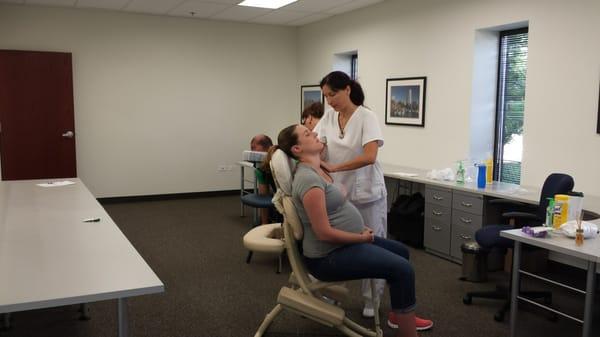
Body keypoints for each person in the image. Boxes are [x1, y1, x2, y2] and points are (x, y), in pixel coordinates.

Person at [268, 124, 432, 336]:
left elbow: (333, 212)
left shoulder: (317, 169)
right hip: (328, 257)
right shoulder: (308, 179)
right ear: (297, 150)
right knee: (403, 269)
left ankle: (399, 314)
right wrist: (359, 238)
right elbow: (323, 232)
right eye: (308, 134)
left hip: (341, 245)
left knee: (402, 253)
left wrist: (358, 228)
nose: (316, 133)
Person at [313, 71, 389, 320]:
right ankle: (334, 293)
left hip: (367, 192)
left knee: (372, 245)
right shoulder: (329, 117)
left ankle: (372, 299)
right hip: (339, 193)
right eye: (325, 96)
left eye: (332, 94)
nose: (330, 101)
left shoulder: (367, 117)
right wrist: (317, 157)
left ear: (347, 89)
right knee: (339, 244)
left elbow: (369, 156)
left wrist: (334, 167)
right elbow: (321, 146)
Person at [249, 134, 277, 224]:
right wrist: (264, 225)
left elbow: (263, 199)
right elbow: (263, 199)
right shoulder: (261, 170)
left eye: (253, 148)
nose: (252, 152)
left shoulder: (282, 160)